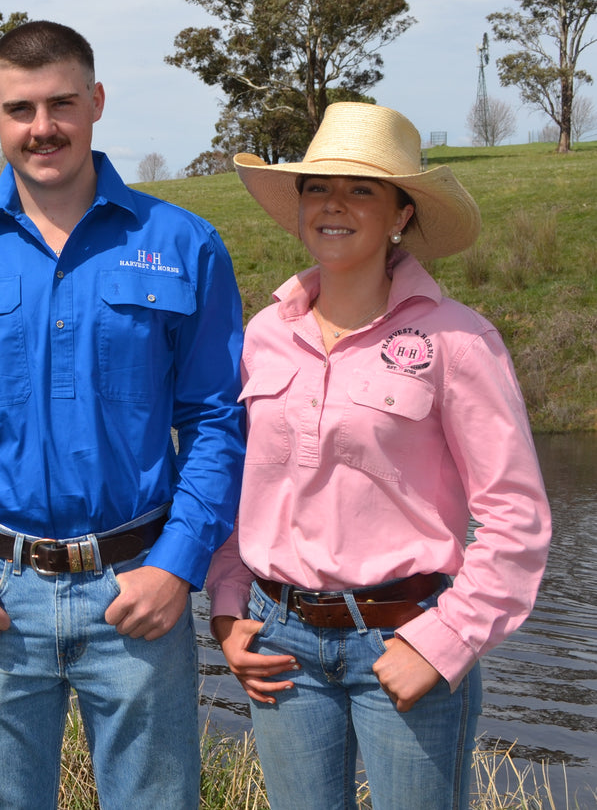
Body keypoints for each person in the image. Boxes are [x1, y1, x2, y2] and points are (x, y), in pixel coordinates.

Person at [0, 20, 245, 809]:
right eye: (20, 109)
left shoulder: (181, 243)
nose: (41, 127)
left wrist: (179, 562)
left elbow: (216, 420)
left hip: (138, 587)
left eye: (60, 104)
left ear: (95, 102)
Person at [207, 102, 551, 809]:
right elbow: (246, 487)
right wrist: (225, 606)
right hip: (280, 647)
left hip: (408, 635)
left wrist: (445, 638)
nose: (332, 202)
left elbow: (515, 516)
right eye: (316, 185)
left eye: (360, 188)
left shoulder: (459, 340)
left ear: (400, 214)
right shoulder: (265, 333)